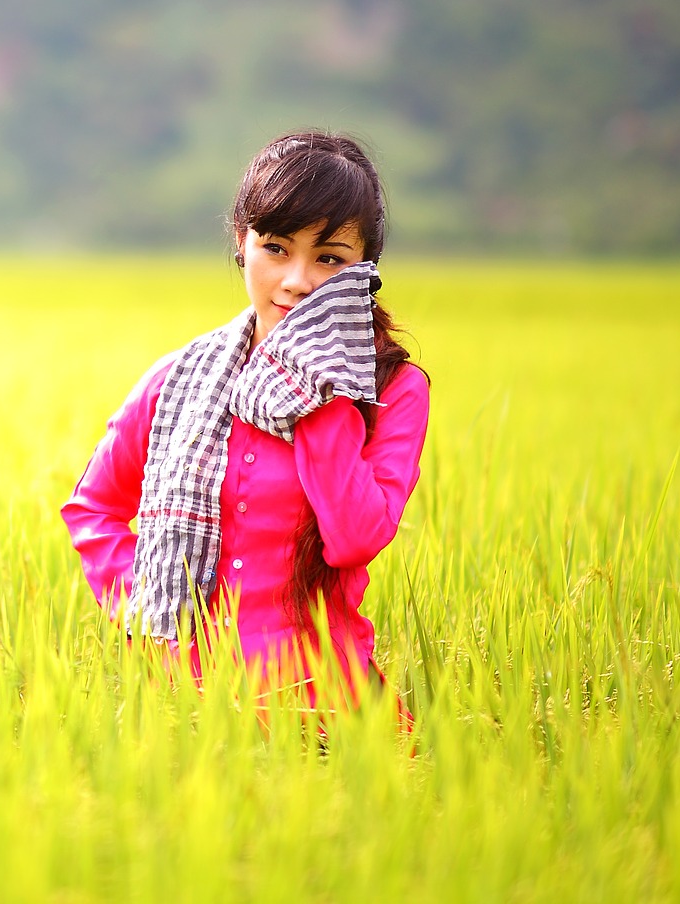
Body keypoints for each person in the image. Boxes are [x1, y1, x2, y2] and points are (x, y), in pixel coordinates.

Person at [61, 131, 429, 706]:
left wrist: (317, 391)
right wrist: (151, 603)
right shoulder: (179, 378)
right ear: (243, 241)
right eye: (277, 247)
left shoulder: (390, 392)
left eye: (329, 259)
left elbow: (355, 538)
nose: (297, 280)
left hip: (324, 706)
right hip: (183, 707)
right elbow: (93, 509)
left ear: (365, 272)